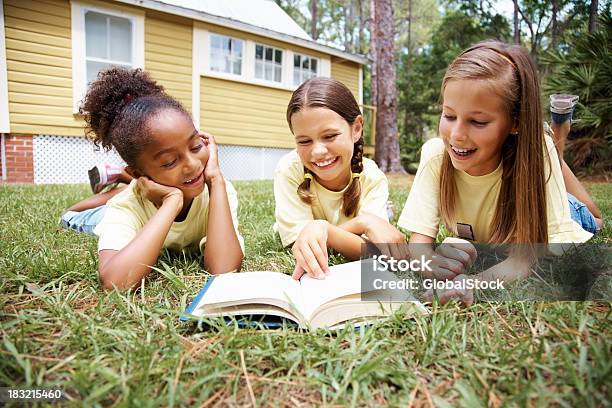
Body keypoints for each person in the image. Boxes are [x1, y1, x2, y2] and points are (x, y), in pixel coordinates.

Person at [397, 40, 603, 305]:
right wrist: (430, 264)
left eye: (477, 121)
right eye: (449, 116)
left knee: (593, 219)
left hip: (567, 214)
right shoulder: (436, 154)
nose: (457, 135)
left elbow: (521, 263)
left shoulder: (532, 156)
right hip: (531, 161)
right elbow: (419, 244)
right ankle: (554, 143)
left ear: (515, 121)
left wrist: (472, 284)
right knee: (543, 149)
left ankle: (556, 140)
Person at [63, 67, 243, 290]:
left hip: (138, 192)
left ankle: (118, 181)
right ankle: (72, 210)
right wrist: (172, 202)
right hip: (97, 216)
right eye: (169, 162)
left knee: (120, 197)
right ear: (139, 174)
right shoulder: (125, 208)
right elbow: (116, 282)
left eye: (196, 146)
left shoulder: (218, 191)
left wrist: (216, 181)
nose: (193, 164)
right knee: (80, 218)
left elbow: (224, 269)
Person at [274, 78, 406, 281]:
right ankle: (382, 212)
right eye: (304, 141)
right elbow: (304, 244)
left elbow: (374, 251)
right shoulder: (290, 170)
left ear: (356, 128)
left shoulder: (371, 177)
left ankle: (383, 211)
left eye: (330, 136)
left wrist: (324, 230)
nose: (318, 151)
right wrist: (362, 223)